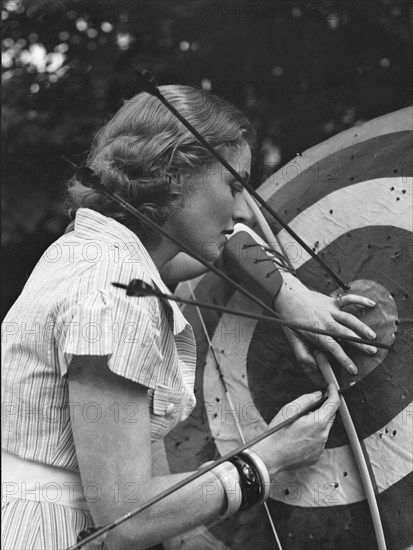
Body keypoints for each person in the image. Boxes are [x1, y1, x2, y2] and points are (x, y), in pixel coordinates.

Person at [2, 85, 378, 550]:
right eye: (235, 184)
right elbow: (125, 519)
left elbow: (227, 245)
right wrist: (268, 457)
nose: (244, 209)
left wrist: (290, 295)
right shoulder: (115, 293)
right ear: (174, 176)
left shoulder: (99, 252)